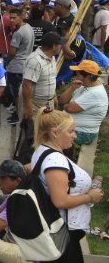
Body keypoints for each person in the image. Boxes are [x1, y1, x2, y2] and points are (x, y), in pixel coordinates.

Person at [30, 109, 103, 262]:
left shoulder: (42, 151)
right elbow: (60, 201)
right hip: (63, 233)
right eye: (71, 131)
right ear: (55, 133)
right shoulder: (55, 161)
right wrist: (90, 197)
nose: (74, 136)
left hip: (58, 232)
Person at [15, 31, 63, 163]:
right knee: (31, 134)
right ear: (53, 46)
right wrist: (28, 107)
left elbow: (50, 78)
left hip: (47, 102)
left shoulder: (52, 57)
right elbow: (27, 85)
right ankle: (24, 161)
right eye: (59, 45)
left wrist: (53, 95)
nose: (60, 47)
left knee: (44, 132)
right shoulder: (35, 60)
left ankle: (40, 158)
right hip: (35, 103)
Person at [57, 59, 108, 146]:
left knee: (49, 134)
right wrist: (72, 88)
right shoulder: (85, 85)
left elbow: (70, 108)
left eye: (77, 74)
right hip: (72, 127)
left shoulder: (94, 93)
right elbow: (61, 101)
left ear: (88, 77)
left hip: (83, 133)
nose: (75, 77)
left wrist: (66, 106)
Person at [5, 8, 35, 125]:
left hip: (16, 66)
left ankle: (17, 115)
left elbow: (12, 52)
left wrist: (7, 61)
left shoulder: (18, 33)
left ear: (20, 17)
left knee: (16, 93)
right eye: (10, 18)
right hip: (25, 65)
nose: (11, 20)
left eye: (14, 18)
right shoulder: (29, 28)